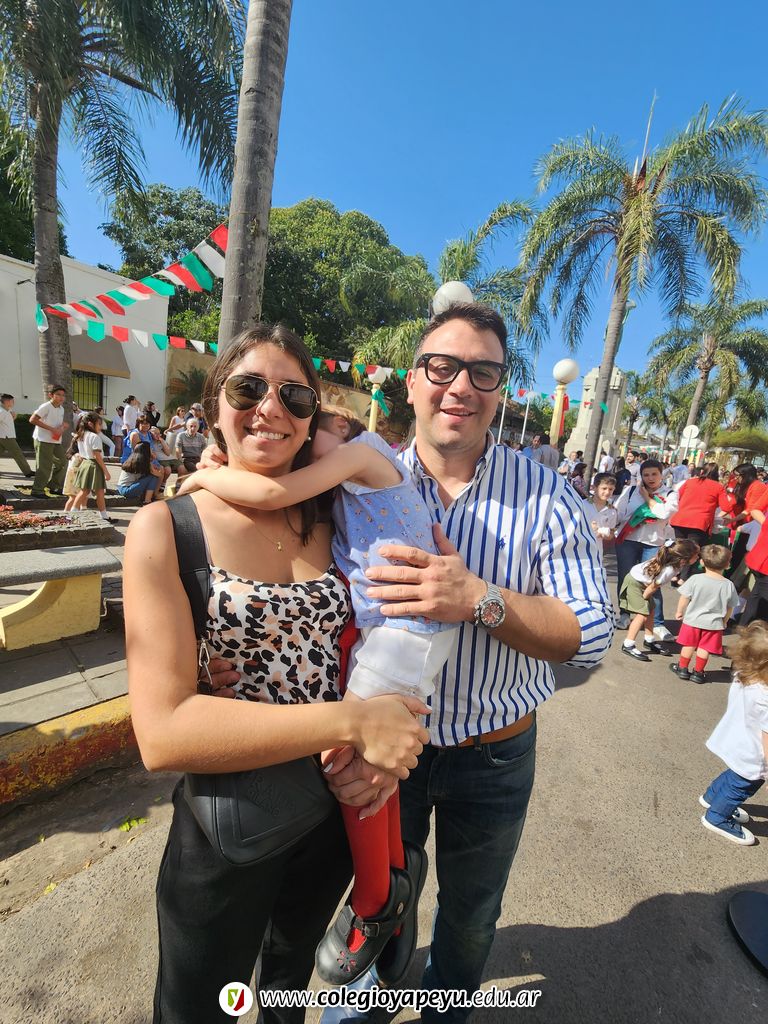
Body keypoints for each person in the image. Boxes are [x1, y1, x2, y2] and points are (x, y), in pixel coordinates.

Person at [202, 303, 614, 1021]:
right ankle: (364, 1006)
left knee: (470, 916)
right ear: (414, 381)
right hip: (385, 740)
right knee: (380, 896)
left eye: (482, 372)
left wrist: (479, 598)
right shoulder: (349, 476)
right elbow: (276, 569)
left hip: (493, 753)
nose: (460, 386)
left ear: (502, 389)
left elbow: (595, 635)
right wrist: (220, 660)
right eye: (442, 367)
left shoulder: (546, 495)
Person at [125, 324, 429, 1024]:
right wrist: (354, 721)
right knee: (201, 1009)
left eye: (294, 396)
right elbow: (162, 734)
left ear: (312, 418)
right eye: (248, 389)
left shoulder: (332, 512)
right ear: (215, 406)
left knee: (286, 992)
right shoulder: (168, 528)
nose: (271, 408)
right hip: (232, 823)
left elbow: (380, 634)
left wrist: (381, 750)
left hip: (328, 811)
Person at [179, 410, 457, 982]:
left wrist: (199, 478)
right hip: (400, 631)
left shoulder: (363, 455)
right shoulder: (352, 479)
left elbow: (271, 491)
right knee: (370, 767)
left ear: (344, 432)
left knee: (344, 762)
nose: (306, 449)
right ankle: (395, 874)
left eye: (315, 437)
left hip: (405, 632)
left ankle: (376, 904)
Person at [699, 621, 768, 845]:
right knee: (743, 784)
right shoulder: (765, 697)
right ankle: (717, 817)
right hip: (752, 752)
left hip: (736, 739)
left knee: (734, 775)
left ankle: (712, 797)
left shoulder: (743, 674)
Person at [613, 459, 676, 637]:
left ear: (661, 474)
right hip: (628, 541)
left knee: (653, 581)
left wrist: (647, 498)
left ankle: (657, 622)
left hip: (654, 543)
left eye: (654, 474)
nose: (650, 478)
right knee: (625, 578)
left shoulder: (670, 493)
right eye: (646, 475)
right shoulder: (631, 491)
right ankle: (624, 614)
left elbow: (664, 513)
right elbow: (618, 513)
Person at [619, 539, 700, 662]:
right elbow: (653, 587)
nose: (698, 557)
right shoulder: (669, 570)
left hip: (642, 582)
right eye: (696, 555)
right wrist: (644, 599)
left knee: (651, 610)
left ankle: (649, 640)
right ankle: (628, 644)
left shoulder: (674, 564)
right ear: (684, 558)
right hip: (635, 583)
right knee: (643, 613)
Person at [670, 545, 738, 683]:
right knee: (704, 648)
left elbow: (684, 597)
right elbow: (730, 607)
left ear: (702, 562)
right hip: (713, 624)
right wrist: (725, 620)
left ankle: (682, 668)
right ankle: (698, 672)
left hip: (693, 620)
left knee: (689, 645)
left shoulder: (696, 579)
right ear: (727, 565)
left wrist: (679, 611)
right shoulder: (728, 585)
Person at [664, 463, 735, 580]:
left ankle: (674, 574)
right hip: (700, 522)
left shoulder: (690, 482)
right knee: (692, 550)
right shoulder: (718, 487)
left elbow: (678, 496)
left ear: (702, 471)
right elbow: (727, 507)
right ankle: (683, 577)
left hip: (680, 518)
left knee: (679, 547)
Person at [29, 384, 69, 497]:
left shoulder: (61, 408)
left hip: (55, 441)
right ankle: (37, 490)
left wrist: (62, 426)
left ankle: (54, 486)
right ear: (51, 395)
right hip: (43, 440)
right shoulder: (46, 406)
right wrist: (52, 429)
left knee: (63, 463)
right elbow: (32, 419)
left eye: (63, 395)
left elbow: (54, 423)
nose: (61, 397)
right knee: (44, 466)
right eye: (58, 395)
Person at [70, 412, 111, 519]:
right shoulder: (94, 437)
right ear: (90, 424)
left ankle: (73, 512)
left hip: (85, 463)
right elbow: (97, 455)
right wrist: (106, 471)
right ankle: (104, 516)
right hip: (94, 465)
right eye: (99, 424)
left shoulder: (81, 435)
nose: (101, 427)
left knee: (84, 491)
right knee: (99, 491)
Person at [0, 393, 34, 477]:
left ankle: (27, 471)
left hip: (5, 436)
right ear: (7, 401)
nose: (13, 403)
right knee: (18, 454)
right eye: (12, 401)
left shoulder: (7, 411)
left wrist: (13, 417)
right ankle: (27, 472)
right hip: (6, 437)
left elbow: (6, 423)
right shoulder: (2, 412)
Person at [585, 473, 618, 552]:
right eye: (604, 488)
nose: (607, 492)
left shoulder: (612, 511)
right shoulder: (583, 505)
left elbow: (611, 534)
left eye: (610, 489)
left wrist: (603, 534)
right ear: (594, 488)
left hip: (596, 550)